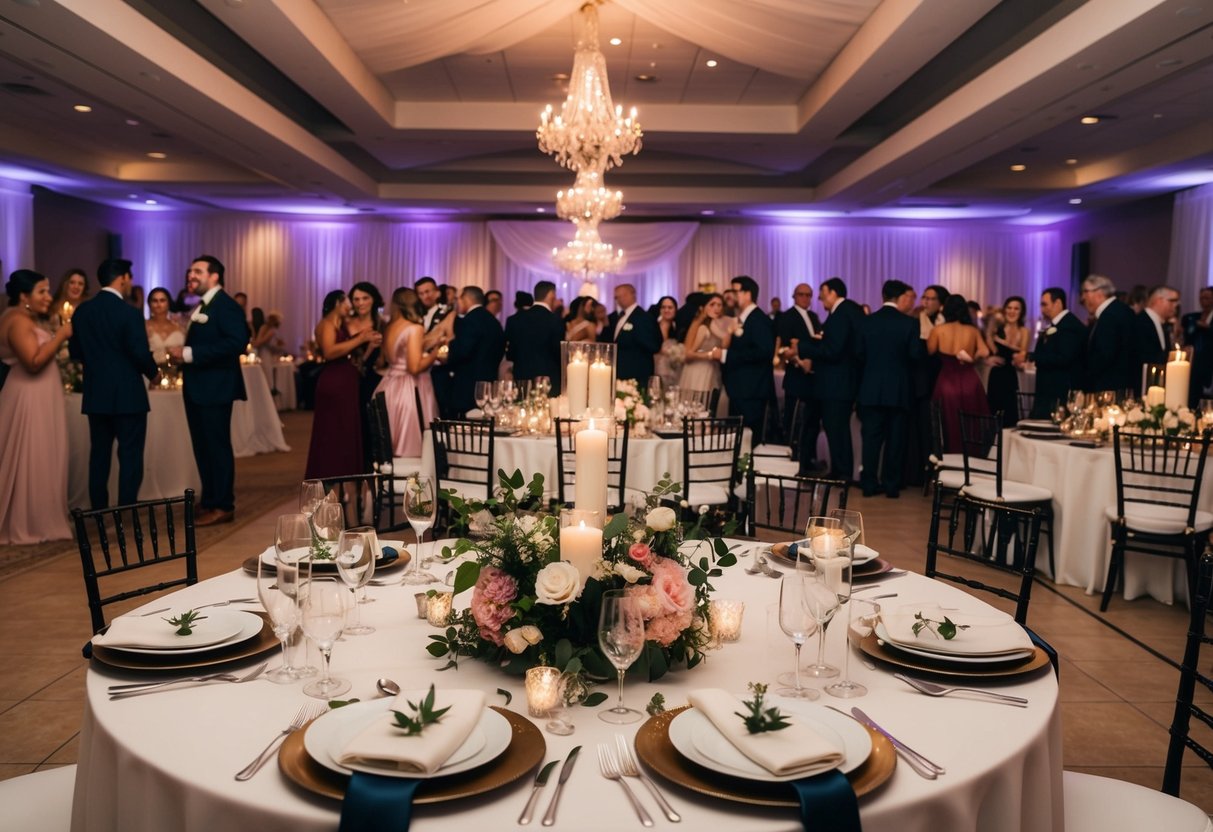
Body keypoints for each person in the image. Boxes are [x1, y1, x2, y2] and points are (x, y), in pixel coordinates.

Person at [70, 258, 160, 509]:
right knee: (130, 456)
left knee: (98, 456)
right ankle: (126, 511)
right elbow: (139, 352)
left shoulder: (83, 312)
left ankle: (98, 512)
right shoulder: (129, 313)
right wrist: (154, 374)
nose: (130, 282)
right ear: (122, 278)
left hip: (96, 394)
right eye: (129, 278)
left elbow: (76, 351)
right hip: (128, 395)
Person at [166, 255, 248, 526]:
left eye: (198, 271)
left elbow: (236, 342)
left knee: (217, 447)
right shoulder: (203, 304)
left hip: (216, 388)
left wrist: (189, 353)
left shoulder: (226, 305)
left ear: (214, 276)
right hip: (198, 388)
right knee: (203, 447)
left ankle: (224, 505)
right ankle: (211, 499)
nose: (191, 275)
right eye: (190, 271)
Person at [0, 269, 72, 544]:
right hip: (27, 399)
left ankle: (38, 517)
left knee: (40, 455)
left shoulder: (24, 318)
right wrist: (61, 334)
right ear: (23, 295)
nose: (47, 296)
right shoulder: (17, 320)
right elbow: (32, 361)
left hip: (37, 396)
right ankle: (27, 523)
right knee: (31, 456)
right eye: (41, 291)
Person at [305, 290, 380, 479]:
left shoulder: (341, 326)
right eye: (348, 303)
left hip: (347, 381)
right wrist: (360, 339)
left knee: (345, 430)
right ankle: (328, 472)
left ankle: (343, 472)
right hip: (334, 383)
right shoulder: (327, 325)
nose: (351, 307)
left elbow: (354, 357)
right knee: (332, 430)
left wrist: (369, 345)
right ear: (338, 303)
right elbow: (330, 352)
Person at [857, 280, 922, 498]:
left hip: (871, 388)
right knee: (896, 440)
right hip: (898, 390)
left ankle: (868, 484)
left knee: (871, 440)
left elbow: (859, 355)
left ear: (883, 295)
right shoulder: (909, 324)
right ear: (900, 297)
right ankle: (891, 485)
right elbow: (915, 355)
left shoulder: (867, 322)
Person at [798, 277, 863, 480]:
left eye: (822, 293)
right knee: (838, 430)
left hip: (837, 383)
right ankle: (840, 471)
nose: (819, 297)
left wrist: (803, 347)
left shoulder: (842, 314)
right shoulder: (850, 311)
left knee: (837, 430)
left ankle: (841, 474)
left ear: (833, 293)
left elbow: (834, 351)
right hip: (842, 382)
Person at [375, 288, 439, 458]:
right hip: (410, 389)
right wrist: (435, 353)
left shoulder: (389, 327)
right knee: (411, 446)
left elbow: (395, 357)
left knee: (391, 441)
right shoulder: (414, 328)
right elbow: (414, 367)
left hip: (389, 385)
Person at [927, 294, 990, 452]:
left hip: (947, 379)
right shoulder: (972, 330)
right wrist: (970, 358)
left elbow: (930, 351)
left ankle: (949, 456)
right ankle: (972, 456)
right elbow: (985, 351)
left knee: (948, 420)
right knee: (971, 420)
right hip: (970, 380)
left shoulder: (938, 330)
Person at [775, 283, 822, 473]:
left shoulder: (813, 316)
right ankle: (794, 461)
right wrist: (799, 360)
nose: (805, 298)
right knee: (795, 422)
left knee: (812, 423)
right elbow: (783, 348)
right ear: (794, 296)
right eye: (801, 294)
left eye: (808, 295)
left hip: (813, 379)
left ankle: (808, 459)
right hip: (796, 377)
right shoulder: (787, 317)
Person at [721, 276, 775, 440]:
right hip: (741, 390)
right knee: (737, 440)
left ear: (747, 294)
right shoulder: (743, 319)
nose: (730, 296)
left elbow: (763, 352)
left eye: (735, 291)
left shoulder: (758, 320)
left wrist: (726, 355)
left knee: (748, 441)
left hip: (751, 390)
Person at [444, 286, 505, 418]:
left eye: (459, 299)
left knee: (464, 431)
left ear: (466, 299)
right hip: (490, 383)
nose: (457, 302)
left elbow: (461, 351)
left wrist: (450, 342)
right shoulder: (493, 321)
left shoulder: (470, 320)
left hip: (468, 387)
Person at [1026, 287, 1086, 419]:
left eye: (1045, 304)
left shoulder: (1069, 326)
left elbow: (1064, 358)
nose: (1042, 309)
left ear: (1058, 303)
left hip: (1059, 390)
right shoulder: (1057, 325)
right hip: (1049, 389)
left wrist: (1032, 357)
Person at [349, 282, 385, 467]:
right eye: (356, 299)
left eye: (365, 298)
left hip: (376, 380)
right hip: (352, 380)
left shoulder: (382, 324)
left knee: (374, 425)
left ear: (374, 299)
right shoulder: (347, 324)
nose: (360, 303)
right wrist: (369, 347)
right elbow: (351, 361)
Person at [1081, 274, 1136, 393]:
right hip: (1121, 386)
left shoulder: (1110, 315)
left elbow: (1104, 354)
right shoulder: (1120, 310)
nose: (1083, 297)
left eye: (1086, 292)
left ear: (1099, 293)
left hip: (1109, 388)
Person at [506, 280, 564, 393]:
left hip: (521, 379)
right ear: (551, 294)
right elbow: (558, 353)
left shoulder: (514, 320)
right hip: (548, 381)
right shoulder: (555, 321)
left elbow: (510, 354)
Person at [602, 283, 662, 384]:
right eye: (616, 297)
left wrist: (633, 336)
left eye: (622, 296)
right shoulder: (616, 317)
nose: (619, 300)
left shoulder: (644, 317)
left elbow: (654, 345)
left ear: (632, 295)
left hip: (636, 370)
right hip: (620, 370)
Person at [985, 296, 1029, 426]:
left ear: (1021, 312)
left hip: (1011, 375)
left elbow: (1022, 354)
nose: (1012, 311)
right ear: (1005, 310)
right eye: (1009, 308)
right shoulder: (996, 329)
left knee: (1010, 415)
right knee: (994, 413)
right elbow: (987, 350)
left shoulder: (1024, 331)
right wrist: (989, 358)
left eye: (1016, 308)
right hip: (996, 375)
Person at [680, 293, 729, 407]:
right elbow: (688, 354)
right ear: (704, 307)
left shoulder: (719, 328)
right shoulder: (703, 328)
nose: (716, 308)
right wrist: (710, 355)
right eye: (712, 304)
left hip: (712, 372)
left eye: (719, 305)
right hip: (698, 373)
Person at [1130, 285, 1180, 386]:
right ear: (1158, 300)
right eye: (1172, 301)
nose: (1176, 305)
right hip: (1141, 384)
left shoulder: (1162, 325)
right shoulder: (1140, 322)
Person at [1182, 286, 1213, 405]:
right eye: (1201, 298)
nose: (1203, 300)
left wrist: (1207, 328)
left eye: (1207, 297)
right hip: (1195, 362)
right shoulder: (1194, 317)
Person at [145, 286, 185, 366]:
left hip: (177, 373)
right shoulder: (143, 326)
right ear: (149, 304)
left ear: (168, 303)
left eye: (162, 300)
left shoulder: (180, 327)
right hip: (150, 373)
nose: (158, 304)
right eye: (155, 301)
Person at [652, 295, 682, 390]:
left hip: (674, 369)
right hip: (657, 367)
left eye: (670, 307)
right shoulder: (654, 326)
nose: (667, 310)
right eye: (663, 307)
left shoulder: (678, 327)